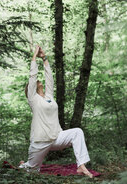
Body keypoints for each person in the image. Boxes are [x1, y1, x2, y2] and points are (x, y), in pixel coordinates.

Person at [19, 45, 93, 178]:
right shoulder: (33, 99)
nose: (38, 81)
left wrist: (44, 58)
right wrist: (34, 57)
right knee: (31, 171)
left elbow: (49, 78)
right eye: (36, 82)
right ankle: (24, 164)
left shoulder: (49, 98)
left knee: (77, 132)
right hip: (40, 141)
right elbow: (32, 76)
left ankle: (81, 166)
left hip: (56, 137)